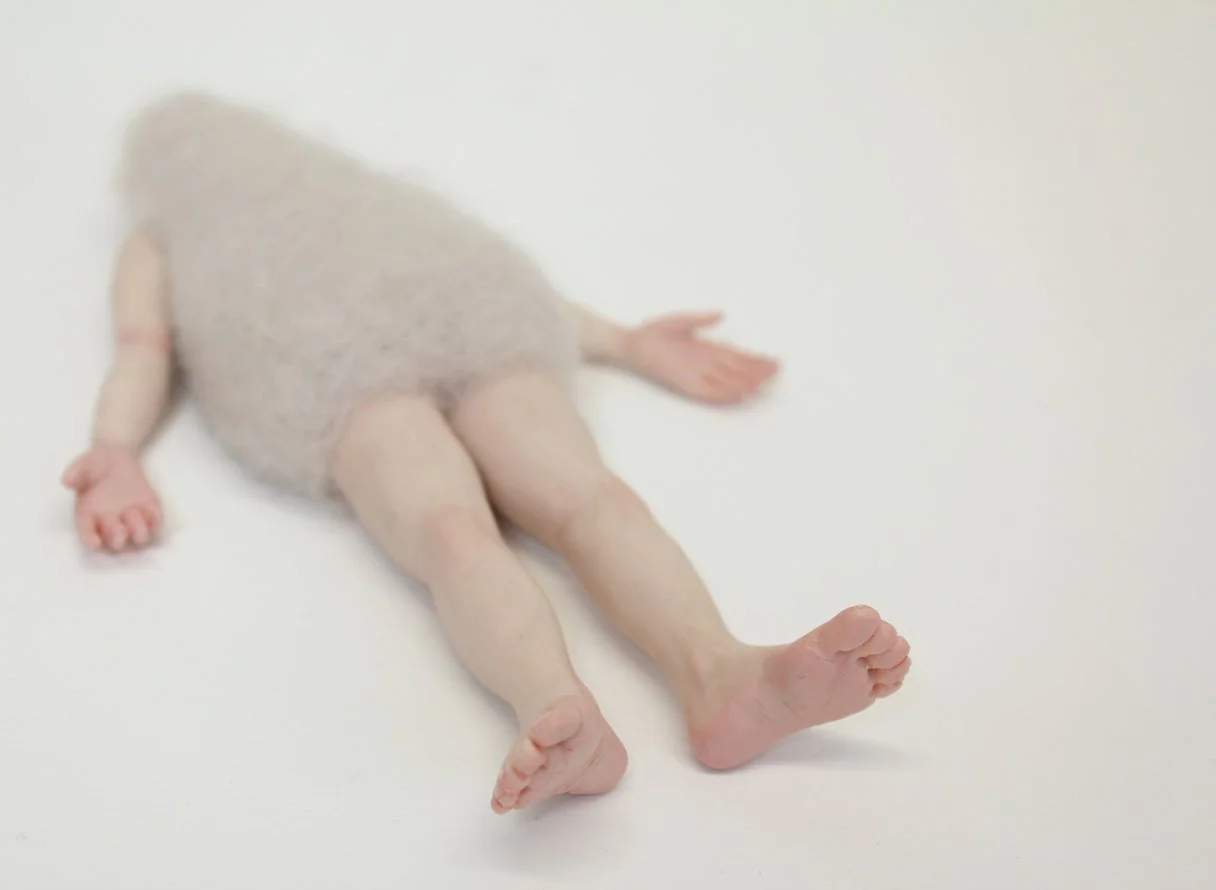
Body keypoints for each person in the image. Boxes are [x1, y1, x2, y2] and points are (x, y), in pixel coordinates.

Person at [62, 92, 911, 815]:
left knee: (560, 506)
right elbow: (142, 345)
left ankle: (723, 678)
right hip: (333, 384)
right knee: (470, 526)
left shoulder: (329, 191)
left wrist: (626, 341)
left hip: (463, 335)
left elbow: (469, 269)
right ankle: (560, 707)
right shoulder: (169, 236)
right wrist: (115, 450)